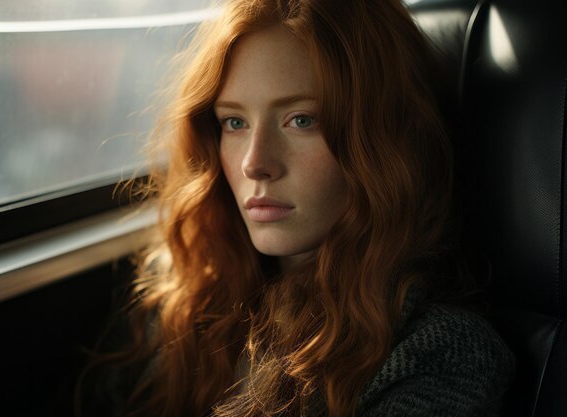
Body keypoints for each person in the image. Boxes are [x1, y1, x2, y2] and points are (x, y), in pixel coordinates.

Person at [77, 0, 515, 416]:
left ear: (385, 143)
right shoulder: (188, 302)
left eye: (301, 120)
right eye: (234, 122)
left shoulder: (439, 352)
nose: (255, 163)